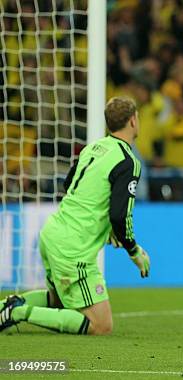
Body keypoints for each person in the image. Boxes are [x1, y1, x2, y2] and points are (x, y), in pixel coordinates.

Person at [0, 97, 151, 335]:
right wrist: (133, 250)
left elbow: (69, 183)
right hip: (73, 248)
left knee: (58, 300)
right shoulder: (128, 161)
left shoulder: (93, 148)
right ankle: (18, 312)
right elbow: (120, 215)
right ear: (133, 121)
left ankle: (4, 307)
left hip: (53, 232)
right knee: (100, 325)